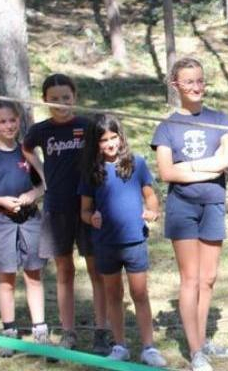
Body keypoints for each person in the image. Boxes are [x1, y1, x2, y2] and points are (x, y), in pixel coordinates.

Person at [151, 57, 228, 371]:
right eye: (189, 82)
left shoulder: (220, 118)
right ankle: (196, 350)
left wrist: (188, 166)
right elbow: (166, 173)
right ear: (176, 86)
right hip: (182, 208)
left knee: (209, 277)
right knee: (190, 278)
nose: (197, 87)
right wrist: (204, 167)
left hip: (212, 204)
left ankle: (203, 340)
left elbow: (226, 161)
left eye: (200, 80)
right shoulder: (167, 126)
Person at [22, 73, 111, 354]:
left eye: (66, 98)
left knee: (96, 270)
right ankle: (68, 331)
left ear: (75, 98)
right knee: (64, 270)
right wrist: (43, 176)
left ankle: (101, 330)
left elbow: (105, 152)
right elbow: (26, 149)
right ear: (45, 100)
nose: (61, 103)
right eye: (55, 99)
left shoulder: (87, 126)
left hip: (86, 206)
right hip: (57, 207)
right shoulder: (40, 130)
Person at [79, 114, 167, 367]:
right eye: (103, 140)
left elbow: (150, 197)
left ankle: (148, 347)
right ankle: (120, 345)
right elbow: (84, 210)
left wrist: (152, 210)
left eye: (113, 137)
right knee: (113, 294)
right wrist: (91, 217)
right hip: (105, 243)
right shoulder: (91, 171)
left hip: (134, 241)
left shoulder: (136, 163)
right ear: (96, 143)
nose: (109, 144)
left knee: (139, 293)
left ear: (121, 137)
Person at [0, 102, 49, 357]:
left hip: (30, 220)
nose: (8, 126)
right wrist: (0, 201)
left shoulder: (27, 152)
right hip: (1, 221)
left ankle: (40, 329)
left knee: (33, 274)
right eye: (2, 121)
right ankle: (9, 331)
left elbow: (44, 184)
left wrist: (33, 193)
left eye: (12, 120)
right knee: (6, 277)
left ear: (19, 121)